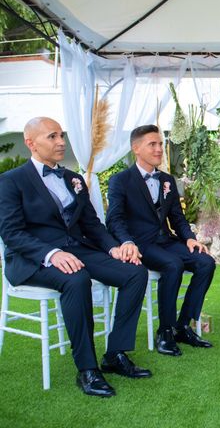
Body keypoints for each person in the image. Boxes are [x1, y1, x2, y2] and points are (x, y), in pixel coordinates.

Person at [0, 117, 151, 398]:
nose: (61, 142)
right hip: (33, 259)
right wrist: (51, 253)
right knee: (76, 279)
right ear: (31, 143)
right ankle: (87, 370)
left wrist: (112, 248)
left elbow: (92, 224)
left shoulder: (74, 179)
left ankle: (115, 353)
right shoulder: (10, 182)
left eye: (61, 136)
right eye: (52, 137)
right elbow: (11, 233)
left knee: (135, 272)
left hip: (79, 250)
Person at [106, 124, 215, 357]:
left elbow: (177, 216)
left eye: (160, 144)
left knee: (206, 262)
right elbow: (114, 219)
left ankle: (183, 326)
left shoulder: (167, 180)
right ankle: (164, 331)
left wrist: (189, 239)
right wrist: (126, 242)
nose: (159, 149)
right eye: (152, 144)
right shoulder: (120, 180)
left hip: (166, 240)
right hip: (140, 244)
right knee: (172, 265)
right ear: (136, 148)